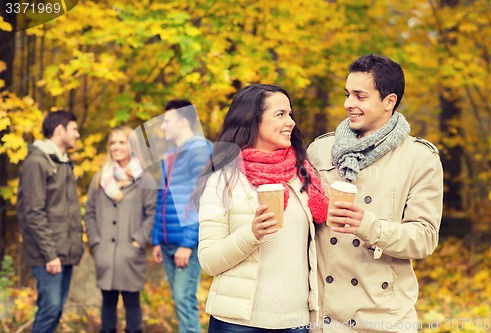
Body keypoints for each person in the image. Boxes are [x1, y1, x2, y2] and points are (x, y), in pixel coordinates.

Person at [307, 54, 444, 332]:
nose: (348, 104)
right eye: (347, 94)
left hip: (382, 317)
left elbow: (424, 239)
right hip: (322, 317)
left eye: (360, 96)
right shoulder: (320, 150)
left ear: (389, 101)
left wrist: (369, 226)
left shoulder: (419, 158)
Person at [191, 83, 330, 333]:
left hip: (296, 322)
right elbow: (209, 261)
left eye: (290, 114)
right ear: (253, 120)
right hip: (238, 324)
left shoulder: (304, 175)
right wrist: (251, 233)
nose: (291, 122)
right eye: (280, 114)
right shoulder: (223, 179)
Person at [17, 110, 85, 333]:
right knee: (50, 309)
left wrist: (77, 248)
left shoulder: (64, 163)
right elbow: (33, 213)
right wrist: (50, 255)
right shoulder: (37, 163)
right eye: (73, 129)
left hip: (64, 251)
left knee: (55, 310)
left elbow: (68, 211)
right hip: (49, 255)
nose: (77, 134)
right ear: (59, 130)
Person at [84, 126, 156, 333]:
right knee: (107, 303)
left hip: (130, 252)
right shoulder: (100, 178)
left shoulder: (145, 180)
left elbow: (151, 214)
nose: (116, 147)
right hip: (105, 251)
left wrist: (138, 241)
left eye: (121, 142)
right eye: (112, 143)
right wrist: (95, 242)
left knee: (132, 303)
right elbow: (89, 212)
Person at [151, 100, 212, 333]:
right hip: (167, 241)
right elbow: (163, 198)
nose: (163, 126)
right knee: (179, 301)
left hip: (186, 243)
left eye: (167, 121)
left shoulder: (199, 151)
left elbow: (201, 198)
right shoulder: (169, 155)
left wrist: (187, 244)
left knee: (184, 299)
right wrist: (157, 238)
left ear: (183, 122)